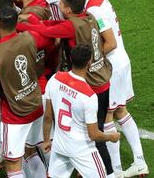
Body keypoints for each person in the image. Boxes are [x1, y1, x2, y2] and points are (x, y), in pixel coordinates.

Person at [17, 0, 116, 177]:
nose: (59, 6)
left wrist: (21, 24)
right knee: (91, 130)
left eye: (61, 4)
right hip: (102, 77)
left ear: (68, 9)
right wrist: (35, 21)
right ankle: (86, 168)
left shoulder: (71, 27)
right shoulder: (89, 16)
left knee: (95, 135)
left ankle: (109, 173)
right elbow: (55, 24)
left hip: (90, 84)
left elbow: (46, 30)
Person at [71, 0, 149, 177]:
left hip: (111, 65)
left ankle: (114, 170)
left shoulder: (93, 9)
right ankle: (139, 162)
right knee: (120, 111)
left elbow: (110, 43)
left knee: (106, 117)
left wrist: (92, 61)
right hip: (121, 61)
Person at [0, 6, 51, 178]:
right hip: (36, 104)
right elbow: (47, 38)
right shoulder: (30, 38)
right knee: (30, 149)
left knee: (13, 162)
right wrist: (31, 20)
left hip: (14, 114)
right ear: (16, 22)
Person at [43, 44, 120, 178]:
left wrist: (46, 140)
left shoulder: (55, 78)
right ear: (89, 63)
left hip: (60, 145)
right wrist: (111, 137)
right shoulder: (88, 96)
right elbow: (94, 135)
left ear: (71, 60)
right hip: (82, 150)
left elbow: (48, 117)